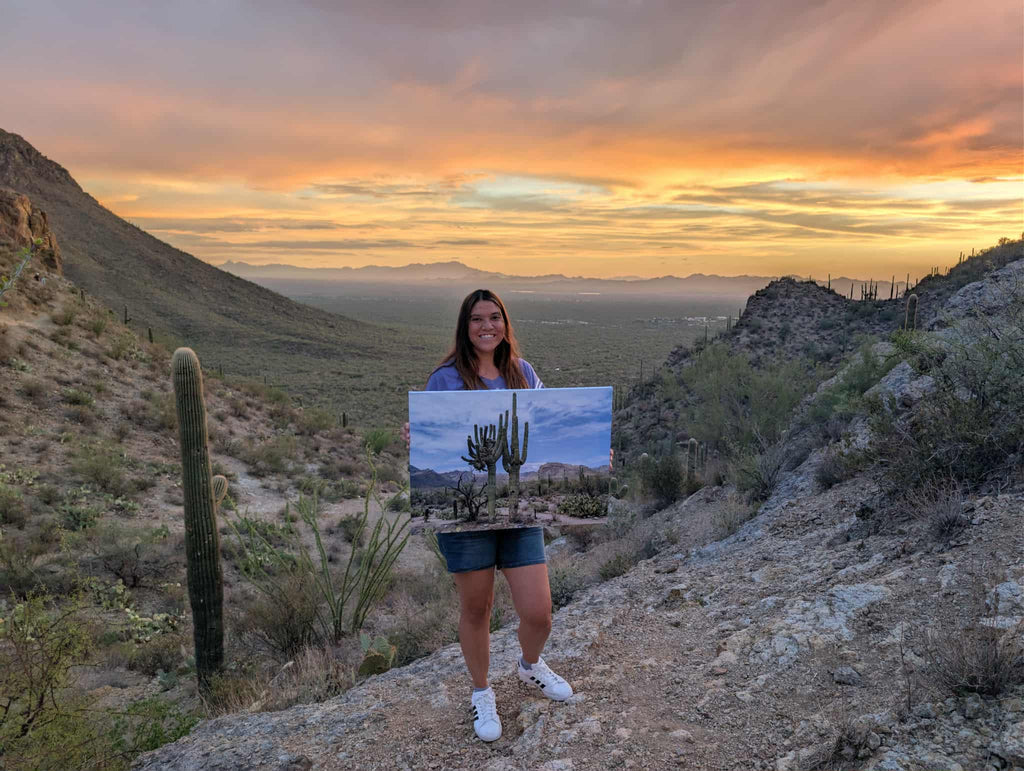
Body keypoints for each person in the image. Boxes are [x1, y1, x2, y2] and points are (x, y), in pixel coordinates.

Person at [402, 288, 572, 743]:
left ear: (505, 323)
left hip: (518, 512)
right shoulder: (444, 379)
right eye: (477, 319)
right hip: (466, 515)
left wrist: (597, 455)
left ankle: (529, 665)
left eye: (494, 318)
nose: (486, 327)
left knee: (539, 612)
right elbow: (433, 436)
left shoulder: (524, 373)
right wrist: (415, 438)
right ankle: (482, 692)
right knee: (477, 609)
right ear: (465, 326)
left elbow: (548, 429)